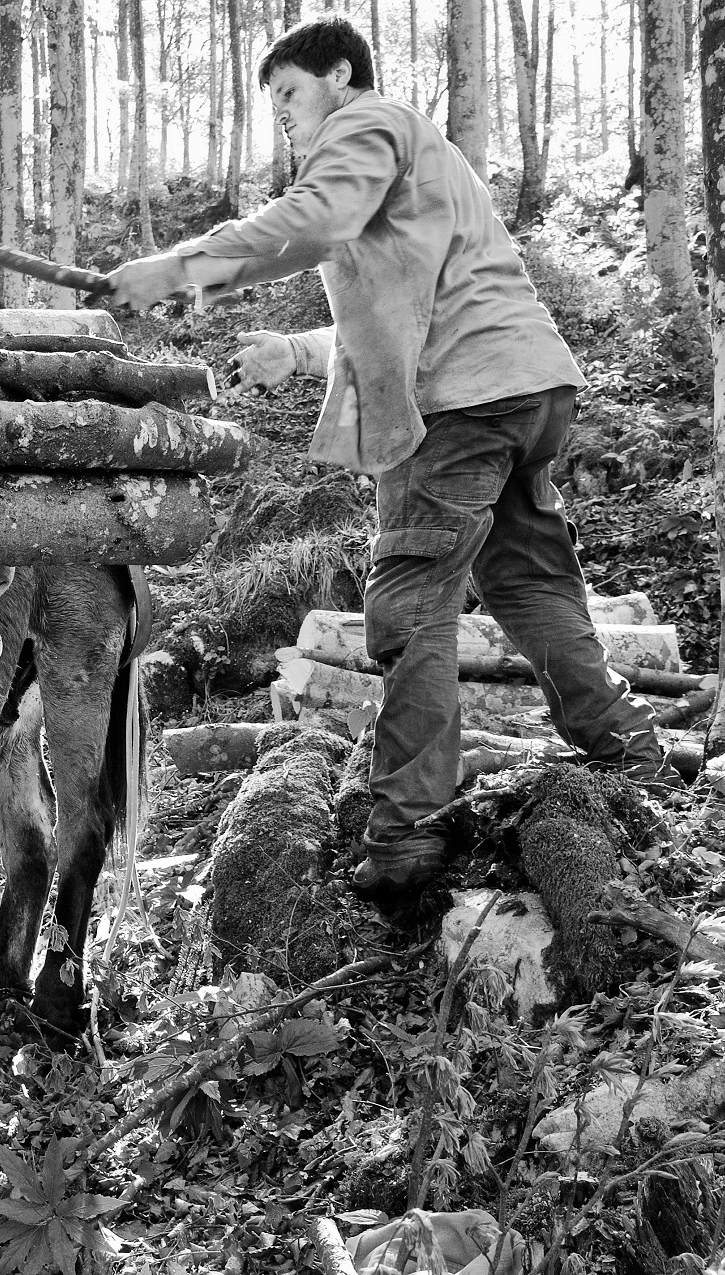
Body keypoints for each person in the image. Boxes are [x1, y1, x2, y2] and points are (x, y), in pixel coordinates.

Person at [107, 16, 666, 899]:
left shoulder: (366, 123)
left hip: (461, 405)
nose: (283, 115)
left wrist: (176, 266)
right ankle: (635, 755)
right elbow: (402, 309)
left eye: (290, 92)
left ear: (340, 74)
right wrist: (293, 353)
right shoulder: (419, 154)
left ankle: (408, 832)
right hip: (526, 390)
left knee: (409, 605)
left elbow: (319, 220)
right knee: (529, 586)